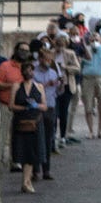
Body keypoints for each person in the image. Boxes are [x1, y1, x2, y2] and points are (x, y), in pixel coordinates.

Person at [10, 59, 48, 194]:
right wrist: (24, 107)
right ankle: (25, 181)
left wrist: (36, 105)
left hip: (35, 123)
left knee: (33, 152)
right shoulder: (16, 86)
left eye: (31, 70)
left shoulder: (39, 87)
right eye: (26, 70)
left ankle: (27, 181)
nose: (29, 72)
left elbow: (44, 106)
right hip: (21, 123)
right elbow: (11, 106)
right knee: (22, 151)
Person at [0, 42, 29, 166]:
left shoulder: (27, 68)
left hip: (21, 108)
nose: (24, 52)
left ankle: (15, 160)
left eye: (26, 50)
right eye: (21, 49)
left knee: (18, 135)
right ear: (16, 50)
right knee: (2, 134)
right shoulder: (5, 66)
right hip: (5, 105)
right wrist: (11, 86)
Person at [33, 48, 63, 178]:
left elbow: (58, 92)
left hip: (51, 106)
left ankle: (46, 169)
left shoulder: (53, 73)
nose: (48, 61)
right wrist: (45, 84)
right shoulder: (34, 73)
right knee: (36, 138)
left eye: (49, 59)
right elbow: (33, 90)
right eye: (45, 59)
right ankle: (36, 169)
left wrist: (61, 85)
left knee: (48, 138)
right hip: (38, 108)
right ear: (39, 59)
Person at [80, 32, 101, 138]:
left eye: (96, 39)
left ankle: (100, 131)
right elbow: (80, 66)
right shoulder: (85, 50)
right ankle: (91, 131)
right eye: (92, 40)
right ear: (89, 41)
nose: (94, 41)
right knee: (88, 108)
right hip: (87, 80)